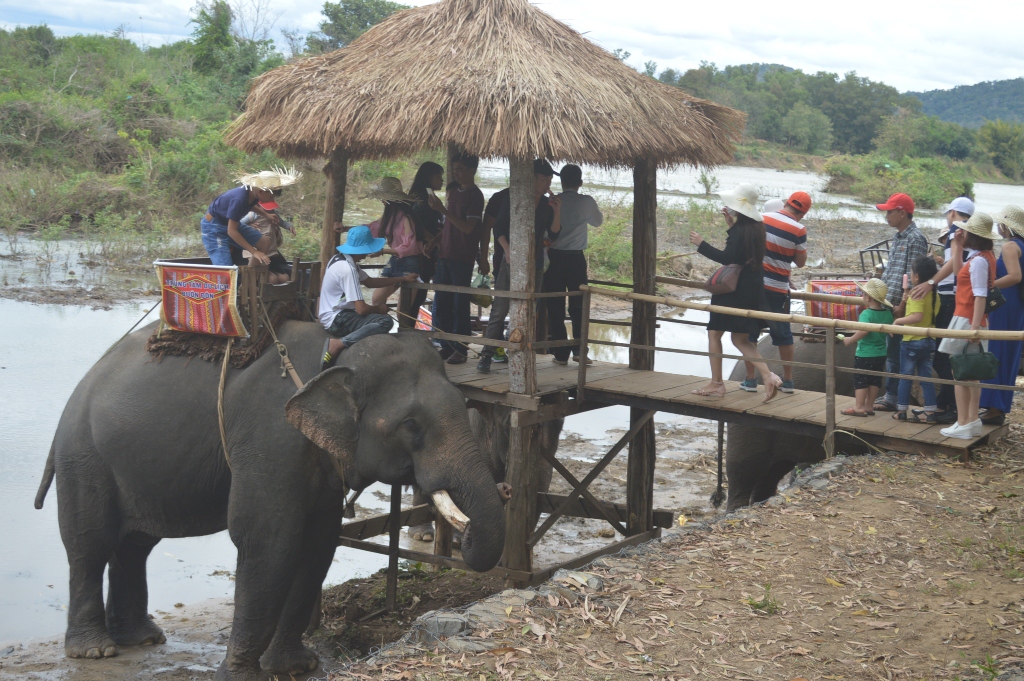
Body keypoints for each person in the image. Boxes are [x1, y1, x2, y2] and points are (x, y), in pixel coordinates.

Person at [688, 183, 782, 402]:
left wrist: (702, 244)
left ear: (738, 208)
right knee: (741, 339)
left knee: (714, 333)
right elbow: (741, 252)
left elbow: (727, 257)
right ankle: (768, 376)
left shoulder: (741, 231)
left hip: (733, 290)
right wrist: (730, 226)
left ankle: (716, 383)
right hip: (751, 287)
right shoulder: (757, 228)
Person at [477, 160, 562, 373]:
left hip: (536, 264)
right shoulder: (512, 198)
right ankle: (486, 354)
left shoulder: (545, 205)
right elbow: (499, 230)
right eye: (543, 179)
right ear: (531, 179)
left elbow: (553, 234)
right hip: (510, 262)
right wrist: (507, 251)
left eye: (549, 180)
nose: (546, 184)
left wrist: (557, 211)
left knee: (530, 309)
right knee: (500, 310)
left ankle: (520, 353)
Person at [740, 191, 810, 393]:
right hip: (778, 289)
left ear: (787, 203)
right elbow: (801, 262)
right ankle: (788, 381)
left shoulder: (762, 218)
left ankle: (750, 379)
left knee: (750, 334)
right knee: (784, 335)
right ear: (803, 213)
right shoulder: (799, 229)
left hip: (754, 286)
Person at [936, 213, 998, 440]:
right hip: (969, 317)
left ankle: (965, 421)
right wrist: (958, 246)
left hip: (968, 318)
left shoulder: (980, 260)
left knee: (961, 373)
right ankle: (970, 420)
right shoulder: (982, 256)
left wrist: (974, 328)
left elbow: (980, 295)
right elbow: (958, 272)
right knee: (969, 374)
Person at [319, 226, 418, 366]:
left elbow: (371, 282)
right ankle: (338, 344)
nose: (366, 255)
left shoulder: (339, 259)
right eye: (366, 251)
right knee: (385, 322)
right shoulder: (348, 270)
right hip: (337, 318)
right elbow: (361, 309)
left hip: (334, 312)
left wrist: (402, 279)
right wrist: (378, 309)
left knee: (380, 319)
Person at [872, 193, 929, 413]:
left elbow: (913, 277)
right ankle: (892, 394)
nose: (886, 216)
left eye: (889, 211)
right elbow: (893, 272)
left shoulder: (915, 239)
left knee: (896, 354)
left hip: (900, 307)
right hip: (890, 302)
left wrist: (902, 307)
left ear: (902, 213)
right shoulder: (898, 237)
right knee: (892, 351)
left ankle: (893, 396)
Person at [429, 153, 485, 364]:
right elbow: (448, 225)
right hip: (445, 253)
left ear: (472, 170)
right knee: (442, 301)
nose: (456, 173)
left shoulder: (475, 196)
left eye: (460, 169)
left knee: (459, 302)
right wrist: (435, 240)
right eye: (454, 169)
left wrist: (442, 209)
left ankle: (461, 348)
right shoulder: (453, 194)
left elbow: (468, 228)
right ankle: (446, 345)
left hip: (462, 256)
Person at [543, 164, 602, 365]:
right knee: (578, 305)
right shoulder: (586, 201)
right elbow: (598, 222)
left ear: (561, 181)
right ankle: (579, 351)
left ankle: (560, 354)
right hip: (576, 259)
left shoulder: (552, 201)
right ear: (580, 183)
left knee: (555, 305)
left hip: (554, 259)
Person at [927, 196, 976, 423]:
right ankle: (947, 402)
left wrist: (931, 281)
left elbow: (952, 267)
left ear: (953, 212)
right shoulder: (971, 233)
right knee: (948, 353)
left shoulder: (956, 231)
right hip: (960, 298)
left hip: (950, 299)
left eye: (948, 213)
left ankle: (949, 405)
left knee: (942, 355)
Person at [979, 206, 1024, 425]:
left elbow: (1015, 276)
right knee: (1009, 352)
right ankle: (998, 405)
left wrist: (989, 284)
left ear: (1006, 226)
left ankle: (995, 406)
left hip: (1006, 302)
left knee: (998, 350)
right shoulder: (1021, 246)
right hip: (1017, 303)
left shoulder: (1009, 246)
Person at [201, 168, 300, 268]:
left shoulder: (253, 193)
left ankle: (249, 278)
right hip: (214, 227)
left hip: (228, 223)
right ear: (261, 191)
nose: (272, 200)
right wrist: (254, 252)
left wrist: (266, 215)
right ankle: (229, 280)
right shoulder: (239, 199)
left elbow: (250, 205)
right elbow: (232, 231)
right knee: (225, 270)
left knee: (264, 242)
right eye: (271, 197)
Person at [362, 178, 426, 315]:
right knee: (377, 299)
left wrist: (383, 251)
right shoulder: (390, 216)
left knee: (402, 311)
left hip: (410, 264)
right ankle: (382, 326)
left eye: (383, 198)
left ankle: (399, 333)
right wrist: (345, 228)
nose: (382, 201)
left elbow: (408, 247)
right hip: (395, 261)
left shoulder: (406, 217)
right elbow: (372, 227)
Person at [891, 256, 940, 422]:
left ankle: (902, 409)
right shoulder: (934, 294)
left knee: (906, 376)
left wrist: (899, 321)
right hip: (929, 339)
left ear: (917, 276)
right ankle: (930, 411)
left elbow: (917, 316)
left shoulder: (917, 293)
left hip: (912, 340)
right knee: (926, 377)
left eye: (912, 273)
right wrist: (906, 302)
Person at [841, 279, 894, 416]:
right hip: (881, 353)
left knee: (861, 380)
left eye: (863, 293)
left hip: (865, 353)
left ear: (868, 297)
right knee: (874, 380)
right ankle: (869, 406)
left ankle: (859, 406)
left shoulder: (866, 314)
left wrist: (850, 340)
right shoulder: (888, 314)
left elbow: (864, 330)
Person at [406, 161, 446, 320]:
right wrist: (435, 242)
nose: (442, 181)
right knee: (418, 293)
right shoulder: (423, 199)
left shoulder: (420, 195)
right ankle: (408, 327)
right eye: (439, 177)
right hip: (423, 251)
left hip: (421, 250)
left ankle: (408, 325)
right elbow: (417, 225)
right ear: (429, 178)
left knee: (417, 292)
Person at [240, 192, 294, 284]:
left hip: (270, 252)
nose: (269, 211)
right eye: (267, 209)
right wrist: (249, 225)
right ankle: (254, 288)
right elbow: (238, 224)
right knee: (272, 280)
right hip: (256, 252)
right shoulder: (252, 214)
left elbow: (281, 222)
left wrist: (289, 226)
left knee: (285, 278)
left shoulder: (273, 213)